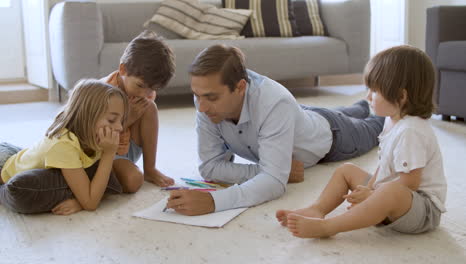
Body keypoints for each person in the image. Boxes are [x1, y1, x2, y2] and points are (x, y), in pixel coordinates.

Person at [165, 44, 384, 216]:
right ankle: (360, 106)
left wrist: (214, 202)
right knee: (350, 109)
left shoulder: (274, 103)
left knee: (379, 123)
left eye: (211, 97)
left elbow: (273, 184)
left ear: (240, 87)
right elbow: (210, 167)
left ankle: (371, 106)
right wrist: (275, 171)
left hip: (335, 138)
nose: (201, 107)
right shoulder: (206, 100)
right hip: (301, 115)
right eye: (197, 95)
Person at [276, 45, 447, 238]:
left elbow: (410, 183)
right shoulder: (392, 120)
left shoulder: (412, 131)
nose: (368, 97)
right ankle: (317, 209)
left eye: (375, 91)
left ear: (401, 96)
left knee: (391, 191)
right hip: (393, 194)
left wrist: (373, 196)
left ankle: (329, 227)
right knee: (346, 170)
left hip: (422, 210)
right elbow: (384, 166)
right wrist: (369, 188)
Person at [0, 79, 128, 215]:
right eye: (112, 120)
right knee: (20, 194)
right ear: (86, 116)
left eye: (121, 120)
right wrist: (109, 154)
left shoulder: (94, 138)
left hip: (26, 155)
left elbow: (97, 187)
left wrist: (80, 201)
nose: (120, 127)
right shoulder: (63, 145)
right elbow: (90, 203)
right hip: (7, 170)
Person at [101, 30, 176, 192]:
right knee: (133, 180)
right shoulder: (105, 94)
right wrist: (128, 118)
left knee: (150, 108)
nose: (144, 94)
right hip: (103, 153)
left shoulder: (145, 91)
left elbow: (146, 111)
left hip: (126, 147)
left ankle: (150, 169)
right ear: (123, 70)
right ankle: (99, 179)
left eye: (152, 89)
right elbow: (96, 139)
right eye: (140, 86)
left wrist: (135, 116)